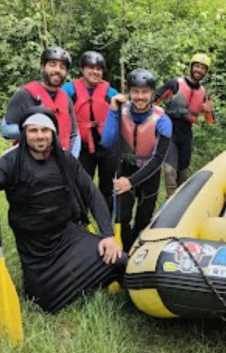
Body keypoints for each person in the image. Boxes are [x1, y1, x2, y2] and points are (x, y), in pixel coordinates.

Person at [0, 106, 126, 314]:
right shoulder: (11, 161)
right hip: (35, 251)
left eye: (45, 130)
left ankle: (132, 300)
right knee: (43, 307)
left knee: (120, 260)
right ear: (24, 133)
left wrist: (107, 234)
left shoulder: (65, 159)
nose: (39, 136)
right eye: (33, 131)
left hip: (68, 238)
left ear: (53, 133)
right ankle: (73, 284)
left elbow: (92, 194)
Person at [101, 69, 172, 252]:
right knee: (123, 217)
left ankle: (137, 251)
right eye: (135, 91)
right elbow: (108, 141)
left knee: (143, 218)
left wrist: (130, 182)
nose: (140, 97)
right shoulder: (121, 111)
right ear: (129, 92)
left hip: (149, 174)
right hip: (125, 168)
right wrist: (113, 111)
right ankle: (123, 252)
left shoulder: (163, 120)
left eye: (145, 92)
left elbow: (158, 159)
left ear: (152, 93)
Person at [62, 51, 119, 211]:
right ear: (82, 69)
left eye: (99, 69)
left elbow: (125, 117)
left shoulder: (111, 93)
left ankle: (106, 222)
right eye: (91, 68)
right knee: (81, 186)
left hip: (107, 148)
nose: (95, 72)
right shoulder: (69, 90)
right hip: (83, 148)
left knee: (107, 188)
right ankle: (82, 221)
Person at [153, 53, 215, 198]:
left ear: (206, 72)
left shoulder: (204, 92)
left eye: (203, 68)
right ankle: (170, 204)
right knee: (169, 171)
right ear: (191, 67)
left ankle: (180, 206)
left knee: (183, 174)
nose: (199, 70)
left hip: (186, 134)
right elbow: (153, 101)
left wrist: (208, 111)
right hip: (170, 132)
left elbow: (210, 121)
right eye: (197, 66)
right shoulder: (175, 84)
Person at [0, 46, 80, 157]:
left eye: (62, 67)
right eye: (52, 65)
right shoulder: (24, 94)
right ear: (42, 67)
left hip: (59, 163)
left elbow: (74, 135)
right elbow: (6, 131)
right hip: (28, 162)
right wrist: (36, 129)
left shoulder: (67, 99)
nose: (57, 70)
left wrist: (72, 161)